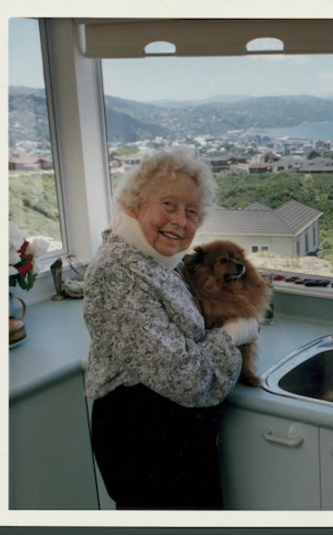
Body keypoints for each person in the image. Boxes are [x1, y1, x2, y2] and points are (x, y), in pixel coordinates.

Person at [83, 148, 260, 510]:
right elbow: (186, 378)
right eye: (168, 204)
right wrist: (230, 336)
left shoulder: (153, 259)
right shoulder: (118, 270)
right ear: (134, 205)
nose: (179, 221)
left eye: (191, 211)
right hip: (144, 438)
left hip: (171, 433)